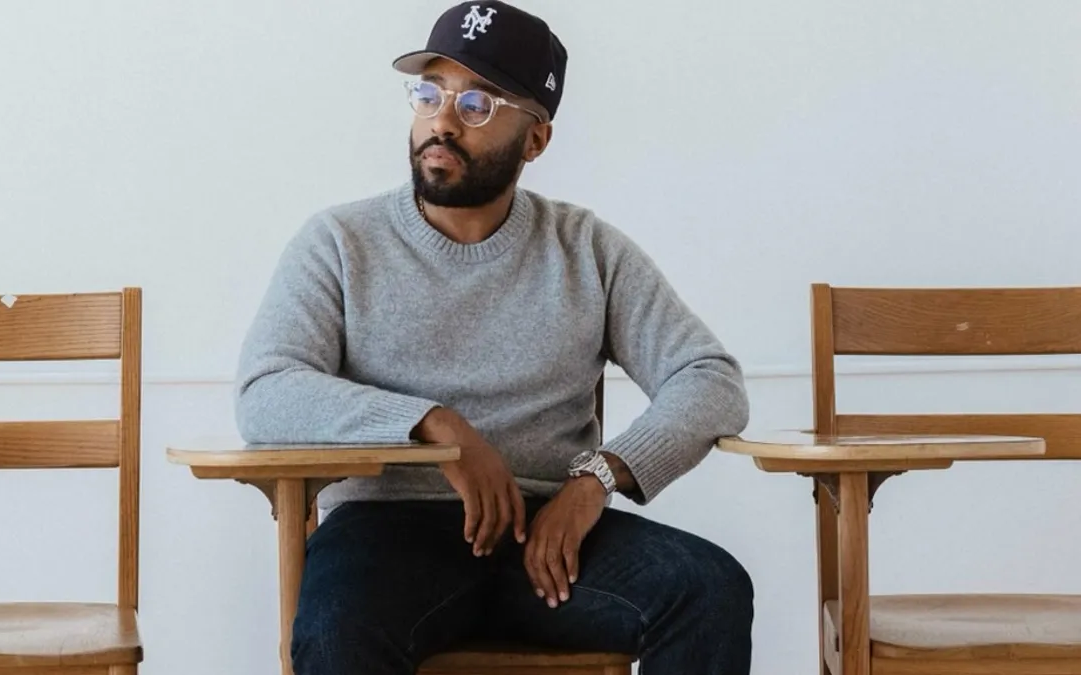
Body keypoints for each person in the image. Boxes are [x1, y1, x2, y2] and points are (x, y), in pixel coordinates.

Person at [234, 2, 753, 673]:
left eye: (477, 103)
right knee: (336, 629)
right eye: (430, 94)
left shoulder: (586, 249)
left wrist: (595, 479)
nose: (441, 122)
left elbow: (709, 377)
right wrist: (434, 425)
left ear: (535, 139)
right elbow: (266, 390)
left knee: (708, 587)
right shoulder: (337, 243)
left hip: (547, 536)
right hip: (386, 533)